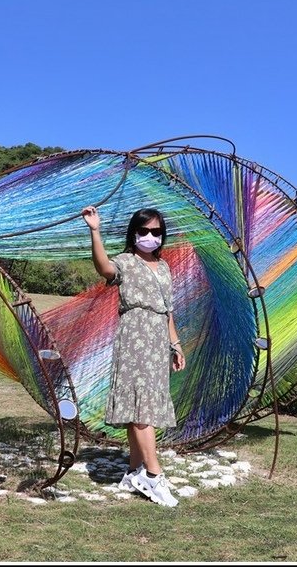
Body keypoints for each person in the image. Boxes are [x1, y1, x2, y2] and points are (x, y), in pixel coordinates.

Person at [80, 204, 185, 508]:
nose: (150, 236)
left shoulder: (164, 268)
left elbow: (168, 311)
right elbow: (104, 268)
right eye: (144, 231)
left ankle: (133, 471)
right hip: (134, 339)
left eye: (156, 232)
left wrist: (175, 345)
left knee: (143, 404)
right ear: (134, 233)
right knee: (142, 408)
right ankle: (153, 476)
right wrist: (95, 230)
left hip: (156, 341)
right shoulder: (126, 261)